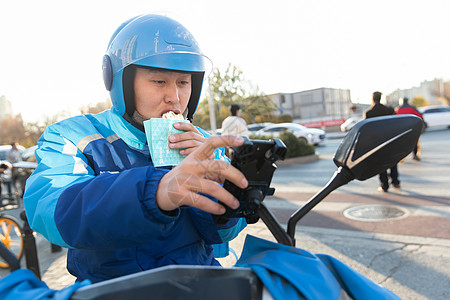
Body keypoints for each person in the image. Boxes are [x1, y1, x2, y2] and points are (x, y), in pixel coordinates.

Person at [23, 14, 248, 283]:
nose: (174, 97)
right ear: (122, 83)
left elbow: (224, 235)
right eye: (159, 81)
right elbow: (48, 207)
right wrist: (155, 192)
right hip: (113, 288)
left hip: (200, 282)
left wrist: (222, 195)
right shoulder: (75, 136)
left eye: (183, 82)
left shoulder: (203, 143)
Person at [363, 91, 400, 192]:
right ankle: (395, 182)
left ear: (372, 99)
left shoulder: (368, 113)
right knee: (393, 162)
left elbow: (367, 130)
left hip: (378, 142)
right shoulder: (389, 110)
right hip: (391, 139)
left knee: (381, 164)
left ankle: (384, 185)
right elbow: (396, 123)